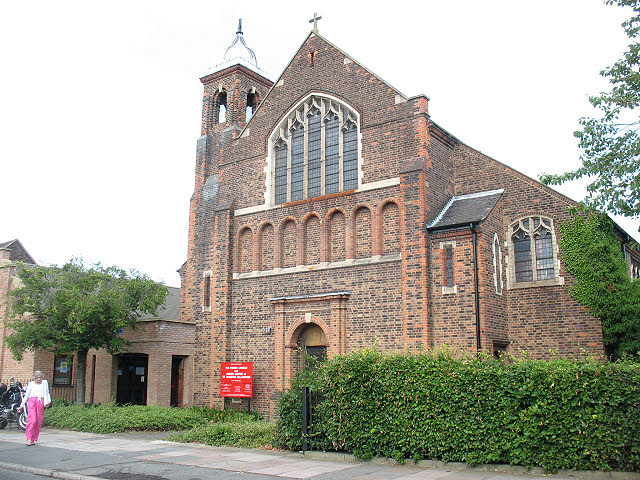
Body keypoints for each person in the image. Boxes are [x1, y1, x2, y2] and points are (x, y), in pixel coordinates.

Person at [18, 371, 51, 446]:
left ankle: (34, 438)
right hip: (32, 401)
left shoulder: (45, 383)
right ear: (34, 378)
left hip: (41, 401)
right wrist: (21, 405)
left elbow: (47, 393)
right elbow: (26, 395)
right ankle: (29, 438)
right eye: (37, 378)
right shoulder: (31, 384)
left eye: (40, 377)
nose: (39, 379)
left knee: (38, 421)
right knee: (33, 420)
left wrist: (48, 401)